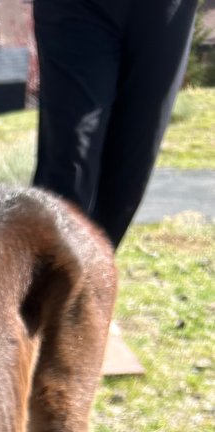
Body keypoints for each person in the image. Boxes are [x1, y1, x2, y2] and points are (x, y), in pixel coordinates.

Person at [32, 0, 198, 249]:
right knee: (69, 159)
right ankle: (49, 281)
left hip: (164, 11)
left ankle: (85, 282)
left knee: (128, 174)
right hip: (77, 8)